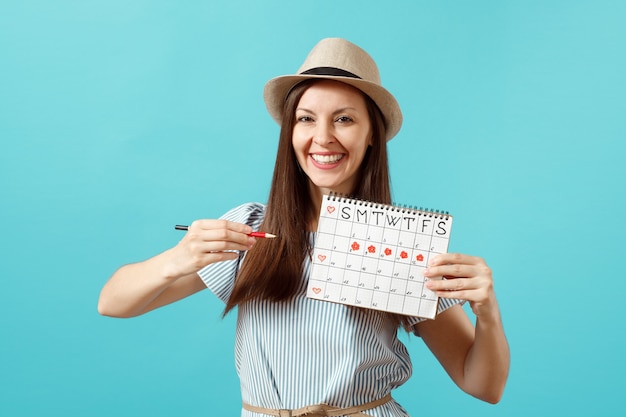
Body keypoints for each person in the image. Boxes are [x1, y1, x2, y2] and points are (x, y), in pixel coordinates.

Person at [98, 37, 509, 416]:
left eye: (344, 119)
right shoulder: (249, 228)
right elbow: (113, 303)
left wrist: (487, 312)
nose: (322, 137)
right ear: (290, 132)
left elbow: (482, 384)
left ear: (372, 136)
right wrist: (178, 257)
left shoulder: (398, 244)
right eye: (306, 119)